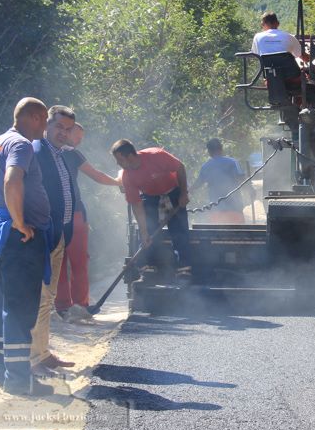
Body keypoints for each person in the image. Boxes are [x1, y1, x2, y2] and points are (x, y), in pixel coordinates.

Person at [0, 97, 54, 396]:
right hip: (20, 238)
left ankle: (2, 370)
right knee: (20, 307)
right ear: (34, 117)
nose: (45, 127)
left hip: (1, 231)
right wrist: (19, 221)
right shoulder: (20, 144)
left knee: (4, 305)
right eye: (44, 121)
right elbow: (11, 181)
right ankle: (20, 380)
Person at [30, 105, 78, 373]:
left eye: (68, 129)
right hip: (44, 234)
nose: (64, 133)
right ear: (47, 125)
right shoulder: (37, 151)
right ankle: (34, 358)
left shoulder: (59, 154)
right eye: (60, 127)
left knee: (48, 297)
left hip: (58, 234)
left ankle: (43, 352)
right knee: (40, 296)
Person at [56, 122, 120, 321]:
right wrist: (119, 182)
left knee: (59, 261)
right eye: (78, 136)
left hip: (53, 215)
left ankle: (63, 306)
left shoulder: (42, 149)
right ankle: (80, 305)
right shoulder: (71, 153)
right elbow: (97, 175)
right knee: (79, 261)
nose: (79, 140)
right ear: (66, 132)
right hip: (73, 214)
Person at [111, 140, 193, 278]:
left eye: (119, 159)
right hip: (150, 198)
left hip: (173, 192)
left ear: (129, 156)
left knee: (179, 231)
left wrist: (184, 193)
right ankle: (146, 267)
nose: (117, 164)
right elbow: (136, 204)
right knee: (148, 232)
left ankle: (184, 268)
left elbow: (180, 167)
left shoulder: (156, 155)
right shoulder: (127, 176)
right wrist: (143, 232)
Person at [192, 138, 248, 224]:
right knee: (239, 235)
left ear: (209, 151)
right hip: (234, 208)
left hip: (216, 210)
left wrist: (187, 190)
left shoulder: (206, 166)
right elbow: (241, 179)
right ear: (221, 149)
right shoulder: (232, 162)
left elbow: (198, 184)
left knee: (219, 235)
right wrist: (250, 189)